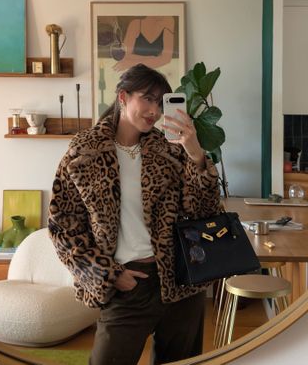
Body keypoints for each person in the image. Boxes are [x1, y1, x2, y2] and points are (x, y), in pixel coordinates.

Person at [48, 63, 220, 365]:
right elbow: (62, 227)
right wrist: (107, 274)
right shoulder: (84, 152)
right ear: (123, 97)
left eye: (160, 101)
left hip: (182, 282)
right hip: (127, 284)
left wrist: (195, 152)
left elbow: (204, 211)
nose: (154, 110)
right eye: (147, 98)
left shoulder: (171, 150)